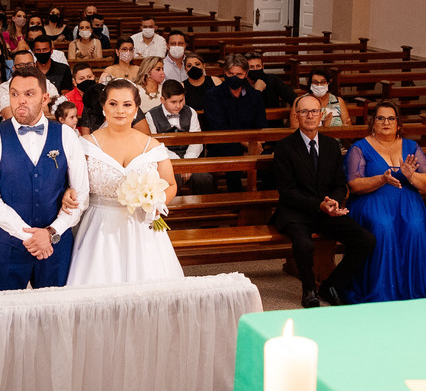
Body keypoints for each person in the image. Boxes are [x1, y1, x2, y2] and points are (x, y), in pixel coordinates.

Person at [0, 66, 89, 292]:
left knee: (55, 318)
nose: (20, 101)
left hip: (55, 245)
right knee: (4, 318)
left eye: (29, 94)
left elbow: (81, 195)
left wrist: (50, 233)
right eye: (14, 94)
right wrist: (30, 237)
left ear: (45, 97)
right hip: (7, 245)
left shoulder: (66, 135)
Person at [67, 79, 184, 285]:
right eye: (113, 103)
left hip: (142, 226)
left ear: (136, 108)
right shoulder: (85, 146)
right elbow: (71, 184)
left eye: (127, 104)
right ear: (103, 107)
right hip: (99, 227)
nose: (120, 110)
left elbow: (170, 184)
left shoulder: (153, 147)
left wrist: (156, 202)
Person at [272, 94, 376, 308]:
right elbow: (287, 191)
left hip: (326, 210)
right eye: (304, 112)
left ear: (321, 115)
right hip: (296, 211)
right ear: (296, 115)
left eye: (314, 111)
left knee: (366, 240)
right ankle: (309, 289)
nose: (310, 116)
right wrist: (318, 204)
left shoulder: (330, 146)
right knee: (304, 244)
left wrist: (334, 202)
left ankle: (331, 286)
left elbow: (340, 184)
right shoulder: (284, 147)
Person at [343, 99, 426, 303]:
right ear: (373, 122)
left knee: (416, 227)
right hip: (371, 199)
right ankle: (381, 289)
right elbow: (354, 185)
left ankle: (414, 287)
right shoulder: (359, 147)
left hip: (407, 201)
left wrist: (410, 176)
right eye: (381, 118)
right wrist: (381, 178)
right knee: (384, 227)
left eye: (391, 118)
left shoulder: (411, 146)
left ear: (399, 123)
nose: (386, 122)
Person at [203, 53, 267, 192]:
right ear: (225, 72)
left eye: (239, 74)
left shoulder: (254, 96)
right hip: (223, 146)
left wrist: (254, 145)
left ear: (246, 73)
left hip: (252, 145)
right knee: (233, 159)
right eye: (230, 73)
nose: (234, 77)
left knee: (273, 164)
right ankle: (238, 203)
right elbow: (218, 128)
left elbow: (261, 125)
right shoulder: (213, 95)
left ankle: (263, 202)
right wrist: (246, 145)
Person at [141, 80, 212, 194]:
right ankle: (172, 211)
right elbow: (156, 145)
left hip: (190, 158)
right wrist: (178, 163)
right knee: (171, 179)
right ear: (162, 100)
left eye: (181, 100)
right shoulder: (151, 115)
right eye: (173, 102)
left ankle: (202, 211)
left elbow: (196, 141)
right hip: (166, 160)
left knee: (204, 178)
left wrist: (187, 163)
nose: (178, 105)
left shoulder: (191, 112)